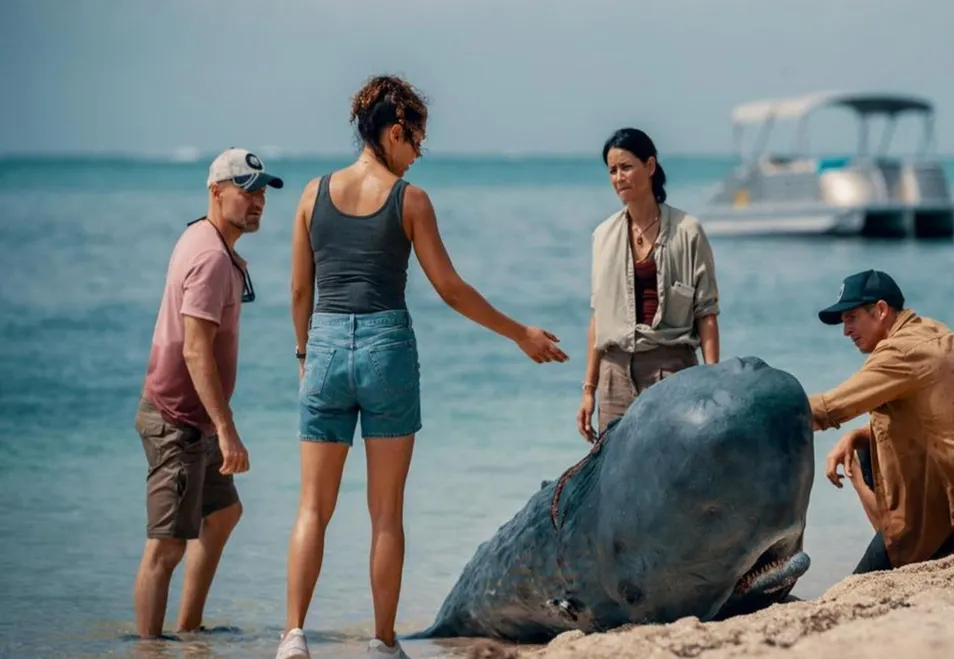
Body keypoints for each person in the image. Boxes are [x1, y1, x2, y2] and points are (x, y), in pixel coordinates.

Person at [276, 74, 568, 659]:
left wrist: (306, 356)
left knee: (313, 505)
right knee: (386, 512)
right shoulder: (410, 201)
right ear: (394, 130)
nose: (416, 157)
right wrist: (519, 333)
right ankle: (382, 643)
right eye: (416, 143)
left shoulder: (311, 195)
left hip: (326, 345)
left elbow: (299, 293)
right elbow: (451, 289)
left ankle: (293, 637)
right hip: (386, 348)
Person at [132, 147, 282, 638]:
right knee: (166, 548)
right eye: (246, 190)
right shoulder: (211, 257)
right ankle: (150, 649)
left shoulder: (203, 234)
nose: (257, 201)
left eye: (261, 192)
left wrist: (215, 424)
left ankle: (189, 631)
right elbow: (196, 352)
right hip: (178, 419)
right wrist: (227, 429)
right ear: (216, 192)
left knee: (223, 514)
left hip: (193, 418)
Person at [810, 269, 954, 575]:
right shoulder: (936, 331)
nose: (846, 331)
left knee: (855, 587)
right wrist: (855, 436)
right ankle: (900, 546)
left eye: (851, 318)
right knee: (869, 443)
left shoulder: (899, 352)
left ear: (880, 310)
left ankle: (907, 550)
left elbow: (828, 408)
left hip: (953, 523)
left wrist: (771, 412)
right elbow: (931, 421)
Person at [576, 127, 721, 442]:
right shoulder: (602, 236)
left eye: (626, 167)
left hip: (672, 371)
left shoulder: (688, 231)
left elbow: (706, 312)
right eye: (612, 171)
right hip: (613, 377)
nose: (618, 178)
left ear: (650, 167)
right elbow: (598, 317)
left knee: (673, 474)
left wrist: (713, 380)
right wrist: (589, 390)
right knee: (614, 482)